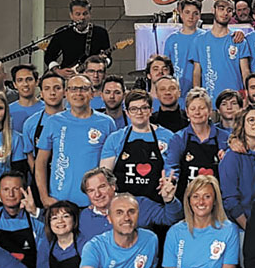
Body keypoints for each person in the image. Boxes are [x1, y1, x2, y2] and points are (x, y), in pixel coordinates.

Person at [35, 75, 117, 208]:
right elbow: (40, 162)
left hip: (95, 203)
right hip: (59, 202)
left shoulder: (106, 123)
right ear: (66, 93)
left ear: (92, 93)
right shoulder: (53, 122)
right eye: (73, 89)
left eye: (83, 89)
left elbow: (113, 164)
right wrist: (44, 197)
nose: (78, 93)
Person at [100, 90, 174, 201]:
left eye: (144, 108)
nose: (139, 113)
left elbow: (174, 170)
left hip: (157, 205)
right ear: (127, 113)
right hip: (122, 205)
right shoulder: (115, 138)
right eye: (134, 109)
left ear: (151, 111)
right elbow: (105, 176)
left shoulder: (168, 137)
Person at [77, 167, 182, 240]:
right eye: (91, 191)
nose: (97, 194)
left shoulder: (140, 204)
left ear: (113, 186)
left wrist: (169, 200)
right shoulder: (84, 216)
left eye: (102, 187)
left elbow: (172, 219)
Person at [166, 88, 230, 200]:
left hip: (216, 200)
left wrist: (226, 159)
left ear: (210, 110)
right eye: (193, 108)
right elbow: (171, 167)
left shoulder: (224, 137)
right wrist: (170, 180)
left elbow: (231, 172)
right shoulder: (178, 138)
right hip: (186, 199)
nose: (197, 112)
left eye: (202, 108)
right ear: (187, 112)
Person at [220, 106, 255, 229]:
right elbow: (230, 200)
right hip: (238, 225)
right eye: (251, 120)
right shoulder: (232, 156)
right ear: (242, 124)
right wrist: (249, 228)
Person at [189, 0, 252, 99]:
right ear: (213, 10)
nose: (225, 13)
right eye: (221, 9)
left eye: (229, 10)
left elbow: (245, 71)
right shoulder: (199, 40)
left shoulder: (238, 40)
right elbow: (197, 72)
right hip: (210, 101)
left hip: (235, 101)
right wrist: (197, 97)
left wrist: (247, 96)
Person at [45, 0, 111, 69]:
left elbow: (109, 58)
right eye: (78, 14)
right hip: (68, 75)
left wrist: (104, 62)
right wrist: (58, 71)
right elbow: (49, 57)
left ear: (90, 14)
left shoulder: (101, 33)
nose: (82, 17)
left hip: (92, 76)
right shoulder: (62, 32)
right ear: (71, 15)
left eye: (85, 14)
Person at [164, 0, 205, 101]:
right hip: (177, 93)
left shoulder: (206, 38)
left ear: (199, 15)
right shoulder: (172, 40)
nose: (191, 17)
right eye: (187, 12)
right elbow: (166, 67)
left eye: (195, 13)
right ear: (181, 14)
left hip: (201, 92)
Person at [23, 70, 66, 160]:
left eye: (57, 88)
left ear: (65, 92)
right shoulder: (30, 123)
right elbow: (29, 155)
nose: (52, 93)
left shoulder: (75, 119)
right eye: (47, 89)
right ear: (41, 94)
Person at [8, 65, 43, 132]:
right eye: (20, 80)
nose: (25, 84)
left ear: (36, 82)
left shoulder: (47, 109)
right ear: (14, 84)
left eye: (29, 79)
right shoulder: (7, 111)